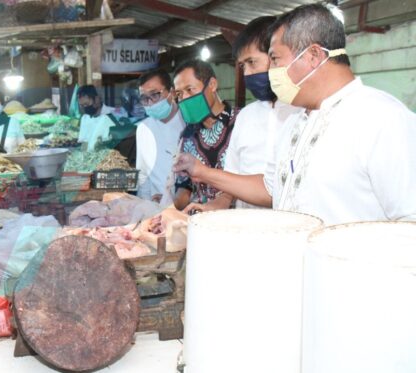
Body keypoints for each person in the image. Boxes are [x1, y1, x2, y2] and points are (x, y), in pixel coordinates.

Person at [173, 4, 416, 225]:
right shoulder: (296, 121)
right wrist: (202, 172)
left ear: (313, 56)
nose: (271, 72)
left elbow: (409, 220)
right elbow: (271, 189)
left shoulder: (382, 118)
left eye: (276, 59)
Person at [187, 16, 302, 212]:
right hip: (244, 229)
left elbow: (277, 190)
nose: (247, 73)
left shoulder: (302, 111)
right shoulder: (246, 117)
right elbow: (231, 182)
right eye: (242, 66)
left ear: (275, 56)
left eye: (252, 62)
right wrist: (217, 205)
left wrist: (204, 173)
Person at [168, 59, 239, 212]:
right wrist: (167, 208)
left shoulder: (241, 123)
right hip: (198, 221)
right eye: (179, 94)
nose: (185, 98)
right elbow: (184, 187)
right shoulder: (186, 136)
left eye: (190, 89)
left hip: (238, 220)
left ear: (212, 85)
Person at [135, 68, 186, 203]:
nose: (150, 103)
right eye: (144, 98)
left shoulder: (189, 123)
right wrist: (145, 204)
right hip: (156, 205)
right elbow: (143, 174)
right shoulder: (143, 128)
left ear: (172, 92)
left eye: (155, 95)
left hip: (186, 204)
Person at [77, 85, 116, 151]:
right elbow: (84, 143)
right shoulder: (85, 118)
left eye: (86, 104)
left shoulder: (112, 115)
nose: (85, 108)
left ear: (97, 99)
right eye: (82, 105)